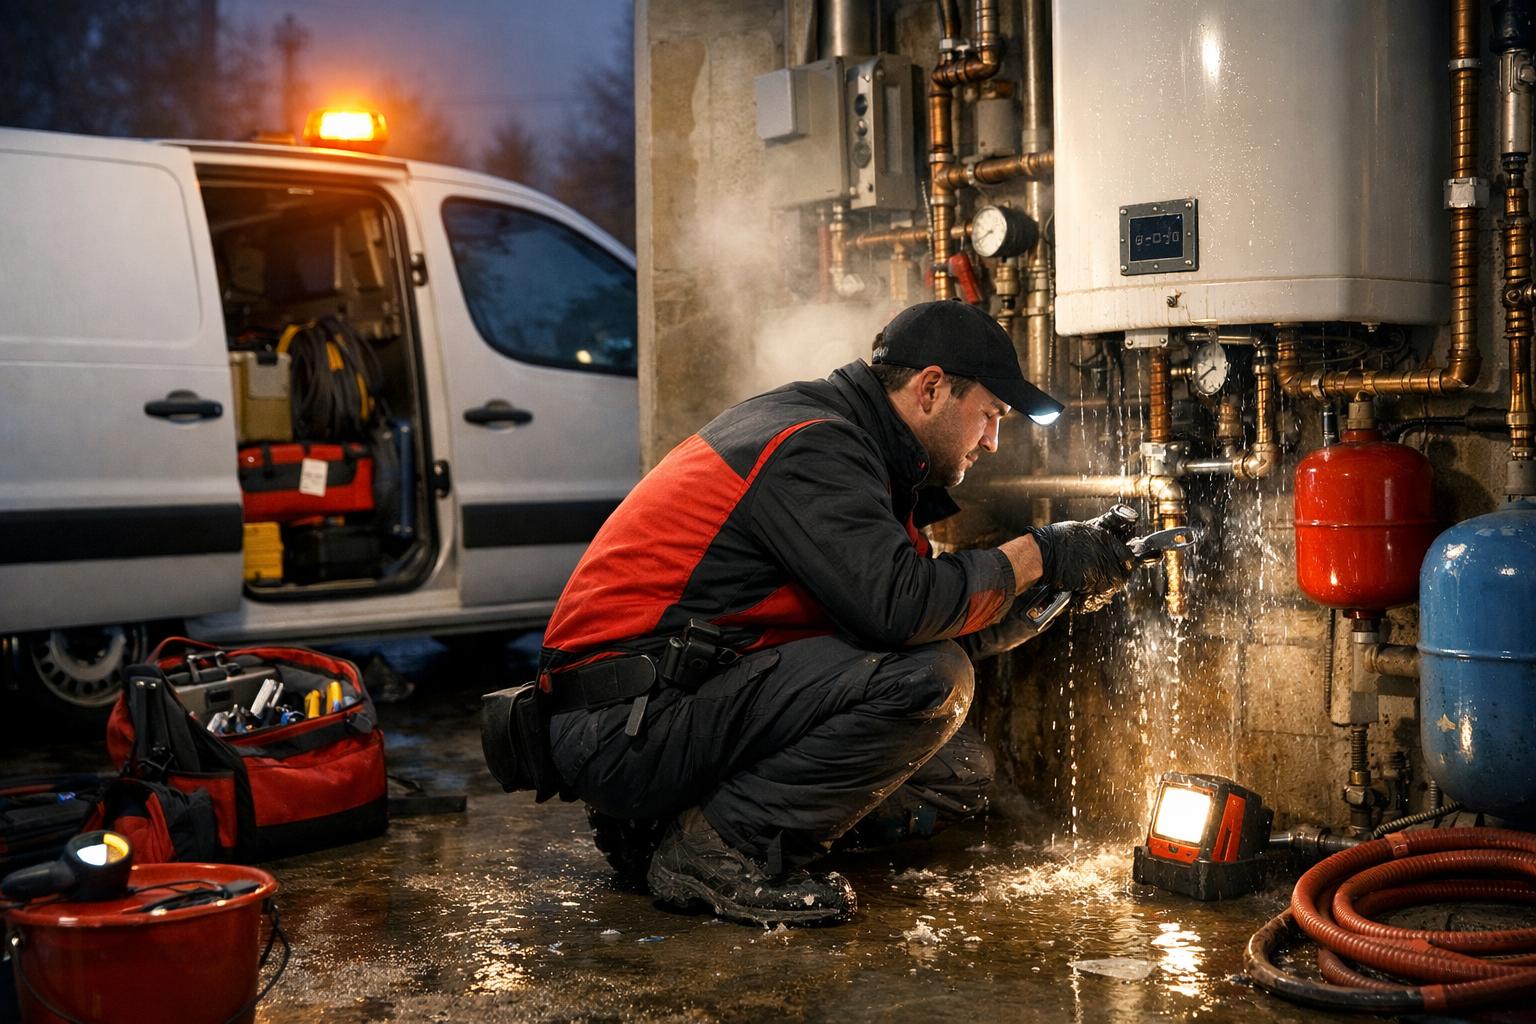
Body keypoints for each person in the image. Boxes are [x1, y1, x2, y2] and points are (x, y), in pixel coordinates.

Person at [534, 299, 1134, 926]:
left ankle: (660, 829)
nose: (992, 441)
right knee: (932, 682)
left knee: (956, 772)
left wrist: (1049, 591)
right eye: (990, 415)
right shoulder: (814, 446)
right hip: (619, 725)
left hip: (656, 705)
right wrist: (1039, 552)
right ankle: (720, 849)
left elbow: (908, 616)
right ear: (931, 388)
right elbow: (900, 613)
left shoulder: (855, 448)